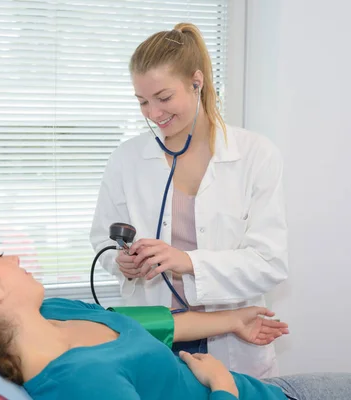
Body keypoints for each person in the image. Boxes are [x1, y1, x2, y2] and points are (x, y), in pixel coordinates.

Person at [0, 233, 351, 400]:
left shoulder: (52, 311)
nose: (16, 259)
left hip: (273, 391)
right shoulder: (80, 382)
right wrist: (221, 386)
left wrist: (233, 319)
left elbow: (154, 325)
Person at [90, 22, 288, 378]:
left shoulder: (256, 155)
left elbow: (270, 262)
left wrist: (187, 262)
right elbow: (102, 242)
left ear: (197, 82)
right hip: (155, 333)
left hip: (233, 339)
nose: (153, 113)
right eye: (142, 101)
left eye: (163, 98)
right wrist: (123, 263)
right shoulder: (127, 159)